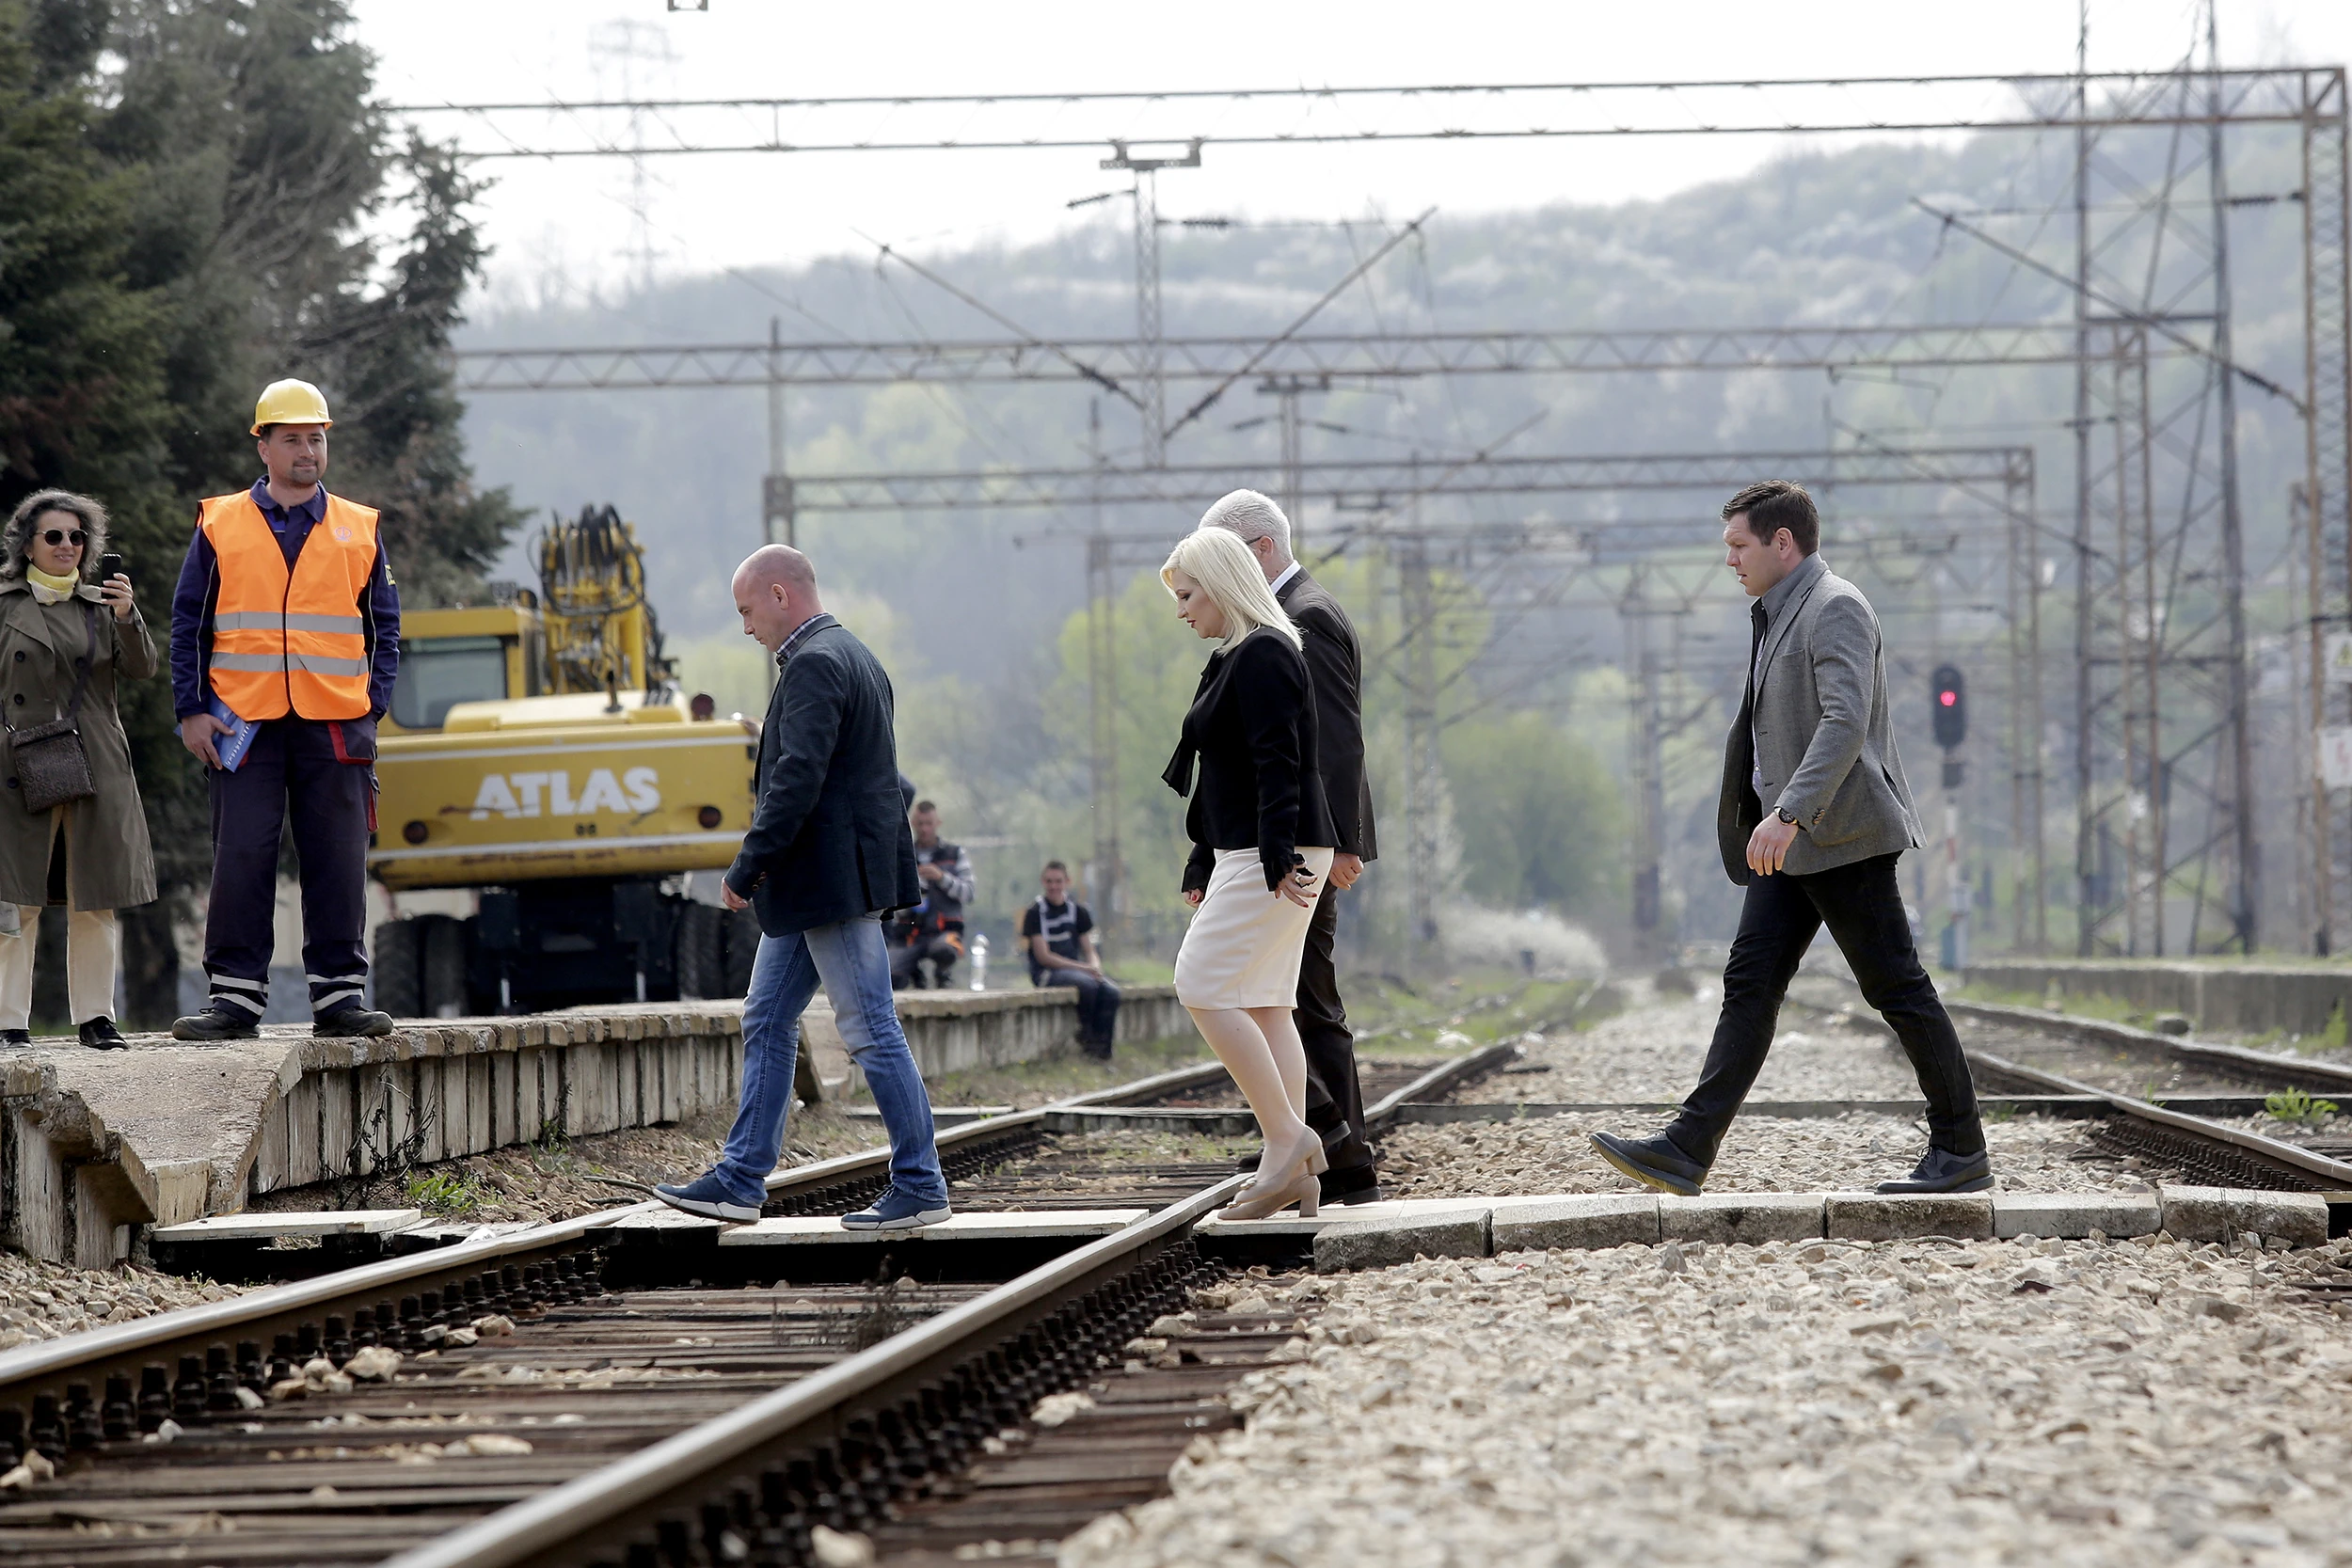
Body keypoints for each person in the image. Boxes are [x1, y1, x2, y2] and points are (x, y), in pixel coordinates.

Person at [1590, 481, 1990, 1196]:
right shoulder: (1778, 612)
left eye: (1739, 545)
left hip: (1842, 834)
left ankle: (1961, 1147)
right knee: (1749, 982)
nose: (1730, 560)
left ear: (1783, 542)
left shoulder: (1835, 606)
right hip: (1795, 841)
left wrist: (1790, 811)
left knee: (1896, 986)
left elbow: (1844, 722)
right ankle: (1687, 1146)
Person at [655, 545, 950, 1231]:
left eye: (747, 610)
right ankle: (738, 1178)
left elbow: (797, 779)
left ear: (781, 594)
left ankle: (920, 1181)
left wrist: (746, 865)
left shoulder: (817, 664)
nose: (746, 626)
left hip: (830, 883)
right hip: (820, 883)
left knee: (870, 1028)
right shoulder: (856, 656)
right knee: (765, 1017)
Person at [168, 379, 398, 1040]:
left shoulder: (360, 526)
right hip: (244, 721)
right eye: (293, 438)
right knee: (241, 852)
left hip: (336, 721)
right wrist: (191, 711)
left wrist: (371, 706)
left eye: (316, 438)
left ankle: (339, 996)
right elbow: (190, 622)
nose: (307, 450)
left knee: (338, 854)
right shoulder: (220, 522)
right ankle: (234, 999)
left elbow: (384, 628)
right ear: (263, 445)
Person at [1201, 489, 1381, 1204]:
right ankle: (1317, 1145)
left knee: (1303, 998)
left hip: (1307, 841)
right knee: (1282, 995)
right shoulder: (1285, 614)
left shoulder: (1305, 616)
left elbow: (1332, 740)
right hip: (1302, 836)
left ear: (1260, 551)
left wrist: (1334, 839)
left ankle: (1336, 1153)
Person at [1160, 527, 1337, 1222]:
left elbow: (1278, 761)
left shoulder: (1264, 652)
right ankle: (1291, 1169)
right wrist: (1203, 855)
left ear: (1224, 583)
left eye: (1187, 593)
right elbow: (1220, 773)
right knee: (1265, 1001)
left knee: (1199, 980)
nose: (1181, 610)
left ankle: (1290, 1140)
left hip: (1278, 845)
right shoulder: (1238, 653)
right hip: (1256, 845)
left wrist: (1272, 854)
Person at [0, 492, 157, 1050]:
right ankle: (8, 1022)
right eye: (54, 536)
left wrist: (126, 614)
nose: (68, 546)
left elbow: (143, 670)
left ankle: (96, 1018)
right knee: (14, 897)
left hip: (94, 763)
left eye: (77, 537)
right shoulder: (4, 604)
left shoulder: (101, 605)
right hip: (15, 765)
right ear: (28, 545)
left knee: (95, 894)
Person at [1022, 860, 1120, 1057]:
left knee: (1111, 992)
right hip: (1048, 973)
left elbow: (1089, 949)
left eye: (1058, 881)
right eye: (1049, 881)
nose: (1054, 886)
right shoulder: (1035, 913)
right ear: (1043, 882)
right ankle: (1086, 1037)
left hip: (1076, 970)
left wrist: (1095, 967)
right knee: (1088, 986)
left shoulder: (1078, 911)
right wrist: (1083, 969)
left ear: (1067, 881)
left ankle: (1103, 1052)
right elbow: (1044, 956)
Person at [889, 800, 973, 990]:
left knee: (945, 950)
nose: (925, 829)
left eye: (929, 823)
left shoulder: (955, 853)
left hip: (944, 932)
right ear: (912, 823)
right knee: (889, 973)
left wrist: (943, 878)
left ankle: (943, 973)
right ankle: (914, 974)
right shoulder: (903, 854)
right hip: (909, 934)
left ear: (938, 823)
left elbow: (969, 892)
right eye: (920, 824)